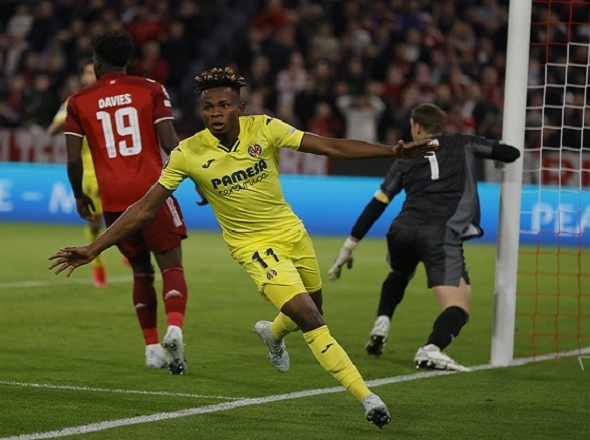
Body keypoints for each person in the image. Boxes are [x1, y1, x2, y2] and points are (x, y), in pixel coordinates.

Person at [49, 67, 435, 428]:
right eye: (207, 107)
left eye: (223, 106)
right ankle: (367, 398)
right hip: (253, 248)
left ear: (239, 108)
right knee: (313, 320)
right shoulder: (188, 153)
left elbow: (330, 146)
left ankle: (273, 334)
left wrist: (393, 152)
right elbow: (144, 209)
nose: (214, 113)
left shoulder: (265, 129)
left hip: (293, 234)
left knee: (313, 309)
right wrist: (95, 248)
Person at [328, 103, 520, 371]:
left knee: (400, 272)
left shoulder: (405, 156)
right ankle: (431, 348)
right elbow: (511, 153)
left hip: (402, 230)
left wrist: (349, 247)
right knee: (459, 306)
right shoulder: (464, 142)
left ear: (417, 127)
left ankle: (382, 322)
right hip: (441, 232)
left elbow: (378, 203)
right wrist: (498, 159)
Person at [61, 30, 190, 374]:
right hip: (154, 193)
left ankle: (150, 347)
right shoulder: (151, 89)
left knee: (141, 271)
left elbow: (73, 160)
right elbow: (170, 142)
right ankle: (174, 327)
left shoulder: (79, 100)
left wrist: (79, 194)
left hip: (115, 202)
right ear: (127, 60)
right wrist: (197, 177)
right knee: (171, 267)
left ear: (97, 62)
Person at [47, 58, 108, 288]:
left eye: (94, 73)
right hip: (91, 173)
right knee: (96, 223)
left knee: (131, 217)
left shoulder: (112, 100)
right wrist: (68, 118)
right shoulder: (74, 102)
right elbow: (51, 130)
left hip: (119, 170)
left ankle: (129, 252)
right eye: (86, 73)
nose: (90, 77)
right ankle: (97, 264)